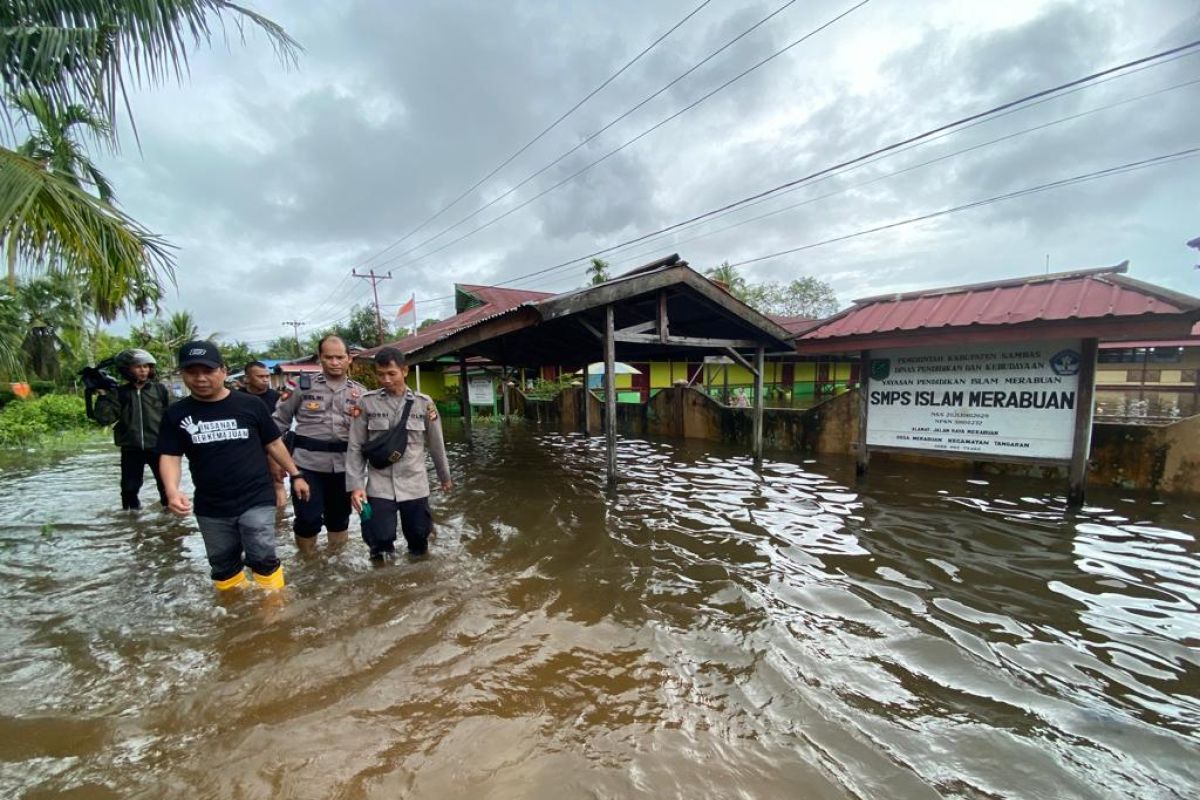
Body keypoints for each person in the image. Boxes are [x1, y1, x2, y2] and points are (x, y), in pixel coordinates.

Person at [157, 341, 310, 592]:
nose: (200, 378)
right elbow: (170, 456)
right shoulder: (177, 414)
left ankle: (272, 613)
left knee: (263, 556)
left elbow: (273, 443)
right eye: (192, 373)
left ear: (223, 371)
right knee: (222, 564)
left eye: (207, 371)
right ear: (182, 375)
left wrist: (296, 474)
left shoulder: (249, 405)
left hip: (256, 497)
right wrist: (172, 491)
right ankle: (232, 615)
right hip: (211, 504)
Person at [346, 347, 452, 560]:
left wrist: (445, 477)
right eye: (380, 374)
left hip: (415, 485)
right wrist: (356, 486)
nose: (385, 379)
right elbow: (355, 446)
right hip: (379, 486)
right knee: (379, 542)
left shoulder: (424, 403)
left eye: (391, 373)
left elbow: (436, 444)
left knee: (419, 541)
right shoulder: (366, 403)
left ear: (404, 371)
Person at [272, 336, 366, 554]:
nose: (335, 362)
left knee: (339, 520)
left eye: (340, 357)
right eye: (329, 357)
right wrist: (274, 462)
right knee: (308, 520)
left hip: (344, 467)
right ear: (320, 359)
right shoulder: (300, 386)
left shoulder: (360, 393)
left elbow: (366, 434)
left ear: (349, 359)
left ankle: (337, 560)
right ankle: (308, 562)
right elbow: (277, 425)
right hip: (306, 466)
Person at [92, 348, 171, 510]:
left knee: (166, 487)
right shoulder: (119, 393)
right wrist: (102, 396)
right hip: (131, 448)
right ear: (127, 370)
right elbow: (105, 418)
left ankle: (170, 524)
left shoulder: (160, 390)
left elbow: (172, 416)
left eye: (146, 366)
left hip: (158, 447)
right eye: (138, 367)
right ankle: (133, 523)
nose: (143, 370)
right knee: (129, 489)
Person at [240, 360, 286, 508]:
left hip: (274, 448)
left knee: (278, 482)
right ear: (247, 378)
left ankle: (280, 519)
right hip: (247, 451)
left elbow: (284, 425)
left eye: (267, 376)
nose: (265, 380)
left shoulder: (276, 397)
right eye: (260, 376)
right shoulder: (237, 399)